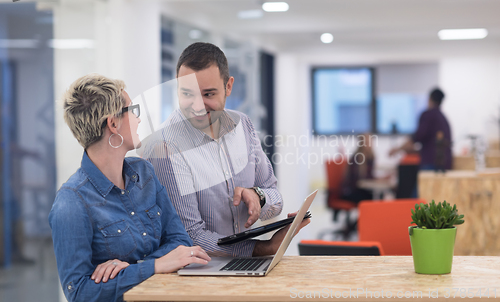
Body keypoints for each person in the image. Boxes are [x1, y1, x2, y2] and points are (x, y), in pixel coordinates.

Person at [49, 74, 210, 302]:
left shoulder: (144, 173)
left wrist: (136, 268)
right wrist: (156, 265)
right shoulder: (71, 202)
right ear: (113, 124)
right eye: (132, 110)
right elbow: (79, 293)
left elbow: (181, 241)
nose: (138, 119)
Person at [143, 42, 307, 257]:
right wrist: (263, 248)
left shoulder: (242, 125)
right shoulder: (164, 146)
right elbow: (191, 236)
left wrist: (258, 196)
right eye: (187, 94)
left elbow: (275, 196)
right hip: (201, 273)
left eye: (208, 94)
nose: (197, 106)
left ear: (228, 86)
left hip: (243, 267)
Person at [389, 88, 452, 195]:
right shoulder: (443, 118)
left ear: (430, 99)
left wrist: (397, 149)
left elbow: (416, 138)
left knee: (419, 199)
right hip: (445, 164)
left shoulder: (428, 115)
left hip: (431, 164)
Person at [341, 134, 375, 204]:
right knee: (370, 198)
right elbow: (360, 179)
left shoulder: (370, 157)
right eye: (367, 142)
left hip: (361, 191)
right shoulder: (357, 158)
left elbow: (369, 176)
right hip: (351, 191)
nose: (370, 144)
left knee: (373, 196)